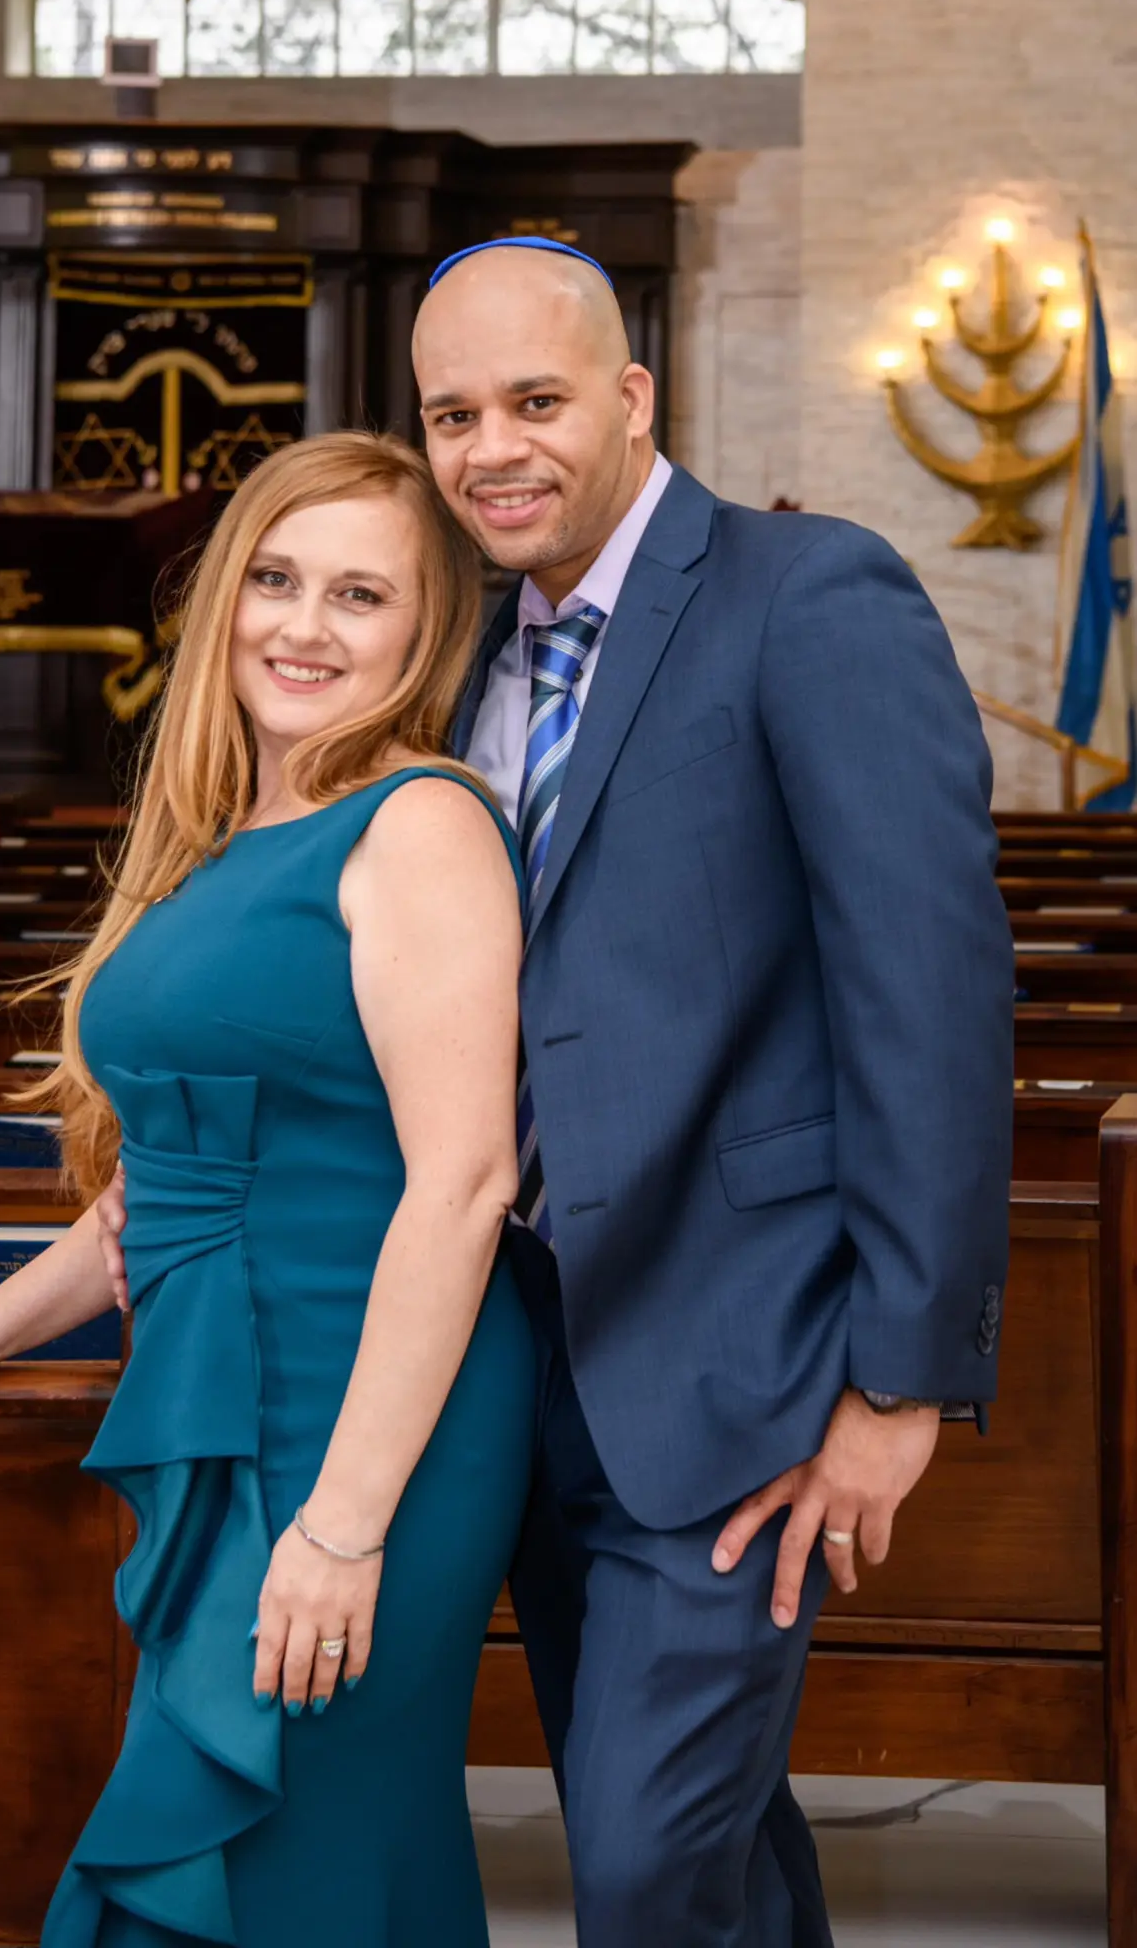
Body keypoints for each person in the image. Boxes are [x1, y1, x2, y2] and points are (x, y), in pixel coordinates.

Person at [0, 432, 536, 1948]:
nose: (303, 626)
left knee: (296, 1836)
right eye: (274, 579)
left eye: (360, 595)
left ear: (426, 633)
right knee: (241, 1838)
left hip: (363, 1414)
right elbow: (162, 1190)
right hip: (221, 1387)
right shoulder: (219, 837)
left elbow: (465, 1186)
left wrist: (343, 1526)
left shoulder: (420, 824)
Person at [407, 235, 1014, 1946]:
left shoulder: (805, 594)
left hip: (739, 1356)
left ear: (630, 395)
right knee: (708, 1853)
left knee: (643, 1868)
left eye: (534, 401)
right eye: (452, 414)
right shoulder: (458, 651)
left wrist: (898, 1383)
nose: (492, 449)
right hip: (518, 1359)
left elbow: (929, 997)